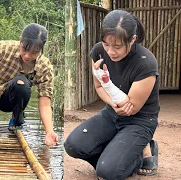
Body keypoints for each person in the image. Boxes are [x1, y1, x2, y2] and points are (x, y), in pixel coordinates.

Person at [64, 9, 160, 179]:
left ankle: (137, 154)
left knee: (107, 173)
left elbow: (130, 107)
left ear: (132, 40)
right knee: (72, 146)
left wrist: (107, 83)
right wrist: (111, 100)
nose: (110, 51)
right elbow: (99, 88)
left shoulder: (146, 62)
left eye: (117, 46)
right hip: (111, 112)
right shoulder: (98, 52)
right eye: (106, 44)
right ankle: (118, 155)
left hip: (139, 119)